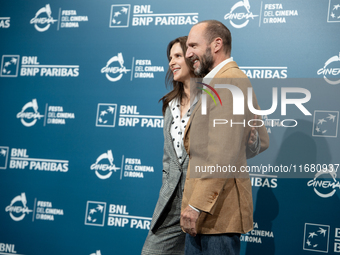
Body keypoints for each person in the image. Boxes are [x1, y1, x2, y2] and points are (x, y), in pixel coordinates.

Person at [141, 36, 261, 255]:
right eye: (171, 57)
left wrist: (248, 140)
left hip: (207, 195)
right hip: (172, 198)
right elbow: (169, 158)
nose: (173, 61)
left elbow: (233, 147)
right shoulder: (169, 103)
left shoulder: (217, 91)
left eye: (179, 55)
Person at [180, 20, 270, 255]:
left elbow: (222, 152)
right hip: (210, 213)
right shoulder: (219, 81)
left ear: (216, 44)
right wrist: (240, 146)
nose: (188, 54)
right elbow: (259, 139)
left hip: (215, 212)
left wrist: (196, 204)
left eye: (193, 46)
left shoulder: (229, 81)